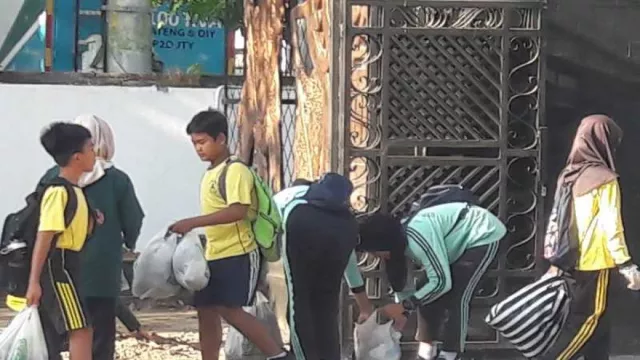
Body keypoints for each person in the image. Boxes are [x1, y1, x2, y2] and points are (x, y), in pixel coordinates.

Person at [169, 110, 293, 360]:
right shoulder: (211, 172)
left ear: (221, 139)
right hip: (213, 253)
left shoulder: (235, 170)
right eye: (194, 143)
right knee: (205, 310)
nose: (198, 149)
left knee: (230, 309)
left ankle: (277, 355)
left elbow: (238, 211)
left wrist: (193, 222)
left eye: (202, 142)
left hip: (238, 252)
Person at [39, 115, 145, 360]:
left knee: (58, 332)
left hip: (60, 271)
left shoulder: (53, 177)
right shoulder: (117, 179)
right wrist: (129, 241)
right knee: (99, 333)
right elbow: (133, 218)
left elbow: (41, 221)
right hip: (102, 269)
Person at [541, 115, 640, 360]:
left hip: (569, 260)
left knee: (599, 326)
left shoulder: (569, 175)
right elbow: (611, 224)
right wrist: (626, 265)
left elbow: (558, 218)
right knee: (589, 322)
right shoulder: (604, 179)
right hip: (596, 262)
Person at [357, 203, 506, 360]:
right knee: (424, 288)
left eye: (374, 251)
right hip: (455, 243)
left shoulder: (417, 238)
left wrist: (403, 306)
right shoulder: (397, 244)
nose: (374, 256)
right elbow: (403, 286)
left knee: (457, 295)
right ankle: (427, 350)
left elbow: (442, 282)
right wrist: (401, 314)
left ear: (383, 243)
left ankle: (450, 354)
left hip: (483, 234)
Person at [272, 176, 373, 360]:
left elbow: (266, 233)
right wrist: (364, 306)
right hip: (344, 227)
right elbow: (349, 264)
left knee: (299, 298)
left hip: (300, 220)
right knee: (327, 303)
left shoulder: (284, 198)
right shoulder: (339, 208)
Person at [26, 122, 97, 360]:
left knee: (80, 329)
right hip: (58, 268)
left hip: (71, 265)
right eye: (91, 148)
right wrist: (33, 282)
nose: (94, 153)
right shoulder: (58, 192)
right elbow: (44, 237)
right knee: (80, 328)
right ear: (77, 157)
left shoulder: (76, 191)